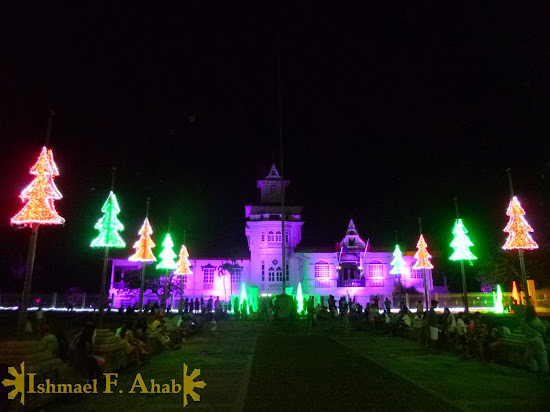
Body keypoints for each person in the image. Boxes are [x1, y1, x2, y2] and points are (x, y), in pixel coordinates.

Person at [521, 306, 548, 374]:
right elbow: (542, 330)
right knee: (542, 354)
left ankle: (534, 368)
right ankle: (544, 369)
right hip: (537, 338)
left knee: (531, 355)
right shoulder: (537, 320)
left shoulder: (523, 321)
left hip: (528, 339)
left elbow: (523, 331)